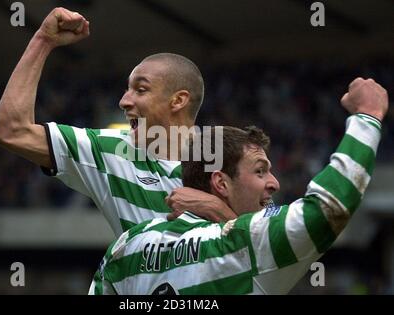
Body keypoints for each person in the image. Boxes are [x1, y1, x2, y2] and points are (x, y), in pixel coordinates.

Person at [90, 78, 388, 294]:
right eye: (260, 171)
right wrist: (367, 116)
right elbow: (329, 208)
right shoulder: (250, 241)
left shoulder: (128, 246)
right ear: (220, 182)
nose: (274, 183)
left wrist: (219, 209)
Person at [0, 7, 231, 236]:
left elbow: (268, 225)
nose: (124, 101)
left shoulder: (225, 155)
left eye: (141, 90)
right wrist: (43, 40)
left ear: (178, 100)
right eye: (127, 90)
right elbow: (11, 131)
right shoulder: (112, 151)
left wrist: (217, 210)